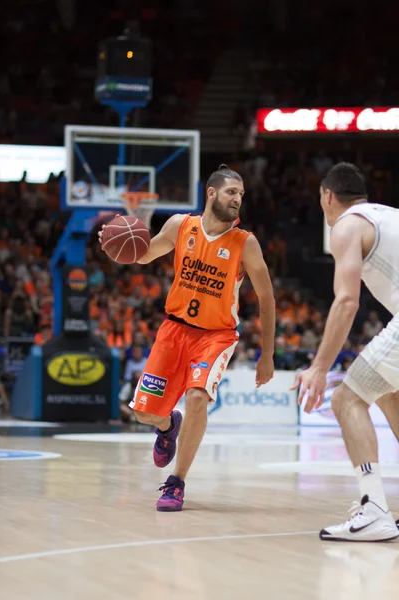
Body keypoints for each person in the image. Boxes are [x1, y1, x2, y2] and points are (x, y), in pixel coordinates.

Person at [99, 164, 275, 511]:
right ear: (211, 193)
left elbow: (267, 298)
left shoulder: (245, 243)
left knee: (197, 398)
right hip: (173, 331)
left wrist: (266, 354)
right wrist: (118, 245)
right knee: (144, 414)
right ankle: (167, 426)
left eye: (240, 193)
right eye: (231, 192)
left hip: (216, 335)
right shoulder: (181, 225)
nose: (237, 198)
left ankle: (176, 483)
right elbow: (146, 252)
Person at [294, 162, 399, 542]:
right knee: (388, 394)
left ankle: (373, 511)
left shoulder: (346, 226)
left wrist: (320, 368)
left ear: (327, 195)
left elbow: (346, 302)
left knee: (346, 400)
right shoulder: (387, 216)